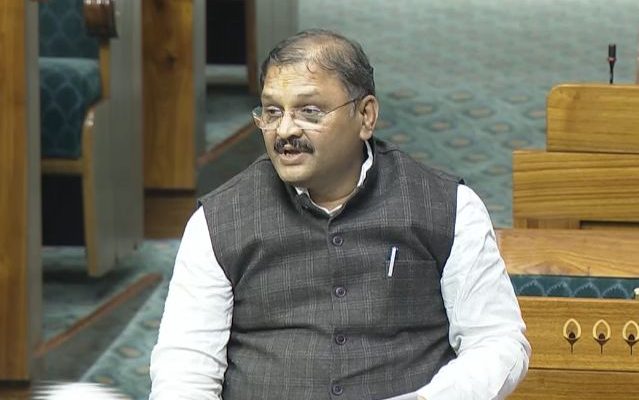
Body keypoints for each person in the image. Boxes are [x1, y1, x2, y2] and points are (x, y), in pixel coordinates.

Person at [149, 29, 530, 400]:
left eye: (309, 111)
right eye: (272, 112)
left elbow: (497, 341)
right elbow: (185, 370)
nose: (285, 130)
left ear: (366, 116)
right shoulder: (218, 220)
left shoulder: (448, 206)